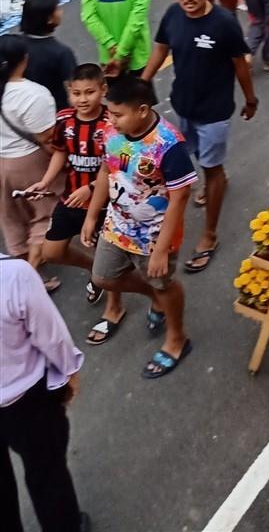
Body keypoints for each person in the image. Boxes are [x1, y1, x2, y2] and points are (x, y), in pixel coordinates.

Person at [142, 0, 256, 273]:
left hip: (214, 112)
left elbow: (240, 65)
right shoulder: (172, 16)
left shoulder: (224, 23)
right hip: (183, 106)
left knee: (210, 167)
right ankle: (216, 178)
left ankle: (209, 235)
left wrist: (250, 98)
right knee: (193, 155)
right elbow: (160, 50)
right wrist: (143, 84)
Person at [83, 76, 196, 379]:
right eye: (110, 113)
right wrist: (92, 215)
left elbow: (179, 198)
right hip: (116, 225)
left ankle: (176, 339)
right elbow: (107, 170)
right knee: (104, 277)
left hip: (153, 237)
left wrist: (161, 250)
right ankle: (155, 297)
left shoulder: (169, 146)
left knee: (164, 282)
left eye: (118, 114)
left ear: (143, 110)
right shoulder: (112, 132)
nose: (111, 120)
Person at [25, 64, 125, 345]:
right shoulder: (64, 120)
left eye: (90, 92)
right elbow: (60, 153)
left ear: (103, 90)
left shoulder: (112, 122)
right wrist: (45, 182)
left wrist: (92, 188)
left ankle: (115, 309)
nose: (83, 99)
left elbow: (116, 166)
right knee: (52, 251)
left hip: (106, 204)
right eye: (76, 93)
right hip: (70, 198)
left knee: (113, 262)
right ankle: (96, 271)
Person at [0, 255, 86, 532]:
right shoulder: (14, 275)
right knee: (48, 475)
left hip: (23, 399)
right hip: (26, 400)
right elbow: (52, 337)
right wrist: (69, 372)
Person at [0, 36, 61, 289]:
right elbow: (48, 139)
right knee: (43, 213)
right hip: (28, 161)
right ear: (24, 60)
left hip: (2, 161)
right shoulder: (33, 95)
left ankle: (22, 266)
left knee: (11, 217)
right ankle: (28, 282)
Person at [21, 0, 76, 111]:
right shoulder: (62, 53)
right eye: (57, 9)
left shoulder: (15, 45)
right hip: (54, 111)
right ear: (49, 19)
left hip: (22, 109)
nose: (61, 11)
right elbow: (74, 90)